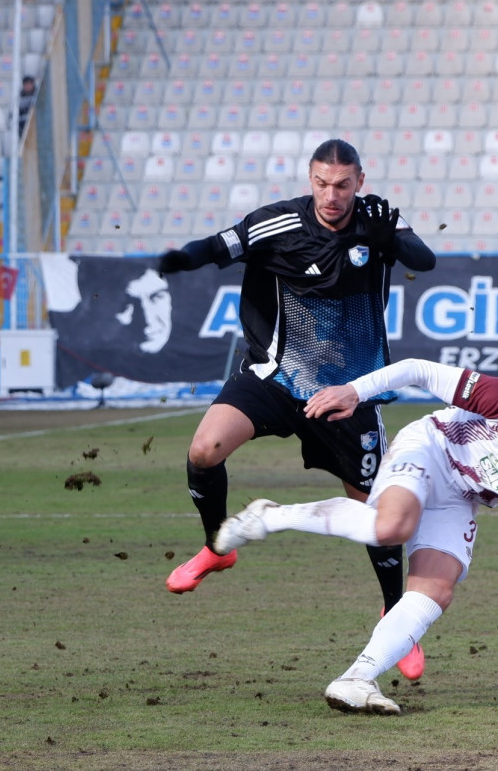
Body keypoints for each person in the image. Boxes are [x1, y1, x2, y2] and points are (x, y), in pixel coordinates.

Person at [158, 139, 437, 679]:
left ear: (360, 180)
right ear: (310, 179)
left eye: (342, 184)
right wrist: (178, 260)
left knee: (379, 515)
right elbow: (217, 246)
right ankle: (217, 545)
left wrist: (390, 242)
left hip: (348, 392)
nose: (331, 195)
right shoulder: (278, 224)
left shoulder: (378, 220)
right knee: (204, 448)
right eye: (321, 183)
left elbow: (424, 260)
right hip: (274, 376)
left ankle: (394, 616)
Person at [214, 358, 498, 715]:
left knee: (438, 589)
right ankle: (271, 516)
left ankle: (357, 678)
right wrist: (354, 391)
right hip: (430, 447)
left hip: (459, 496)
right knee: (392, 527)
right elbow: (418, 370)